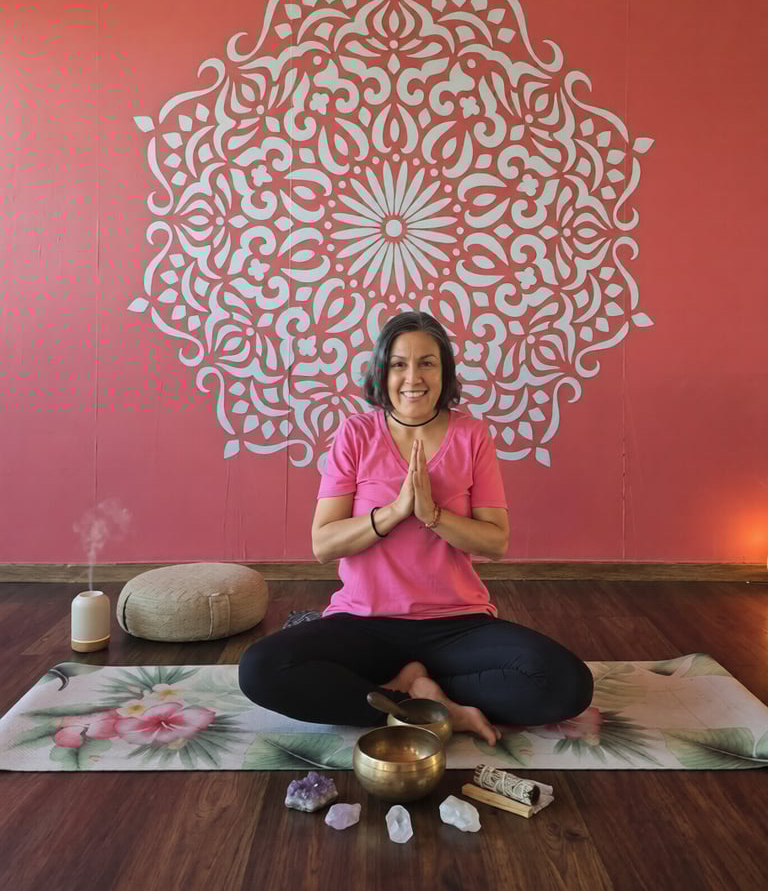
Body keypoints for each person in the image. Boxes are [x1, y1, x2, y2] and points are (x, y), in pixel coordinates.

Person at [238, 311, 593, 744]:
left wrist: (433, 515)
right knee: (260, 669)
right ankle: (424, 706)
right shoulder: (356, 434)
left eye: (427, 362)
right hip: (363, 621)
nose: (413, 377)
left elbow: (495, 542)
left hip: (456, 623)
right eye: (399, 364)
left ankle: (411, 696)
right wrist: (395, 511)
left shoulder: (472, 435)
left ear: (444, 372)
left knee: (567, 683)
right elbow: (323, 544)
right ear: (381, 372)